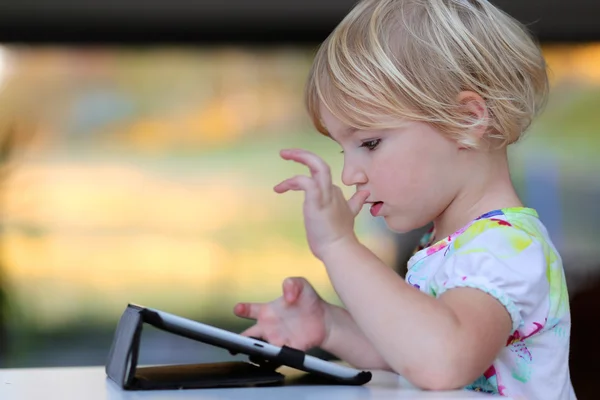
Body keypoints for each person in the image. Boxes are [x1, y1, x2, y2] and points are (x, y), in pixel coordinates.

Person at [233, 0, 575, 398]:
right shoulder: (449, 246)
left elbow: (442, 361)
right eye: (346, 151)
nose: (350, 175)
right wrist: (331, 326)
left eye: (370, 143)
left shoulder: (506, 247)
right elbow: (409, 349)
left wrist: (339, 245)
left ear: (466, 120)